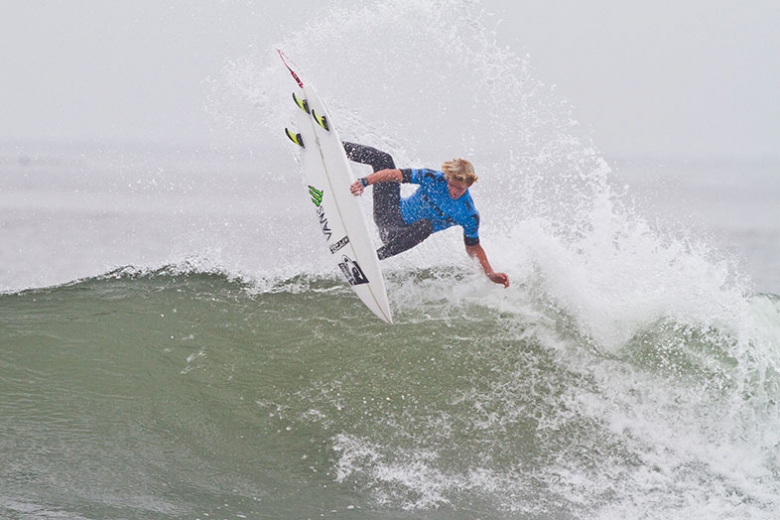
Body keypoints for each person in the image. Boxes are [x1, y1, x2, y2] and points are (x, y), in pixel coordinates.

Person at [345, 142, 509, 288]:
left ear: (470, 184)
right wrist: (364, 182)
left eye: (459, 188)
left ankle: (371, 260)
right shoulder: (433, 178)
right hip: (388, 212)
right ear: (447, 177)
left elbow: (473, 246)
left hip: (399, 236)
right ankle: (332, 146)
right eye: (451, 185)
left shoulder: (468, 213)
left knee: (426, 225)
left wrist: (489, 273)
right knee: (383, 159)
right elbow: (395, 175)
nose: (453, 191)